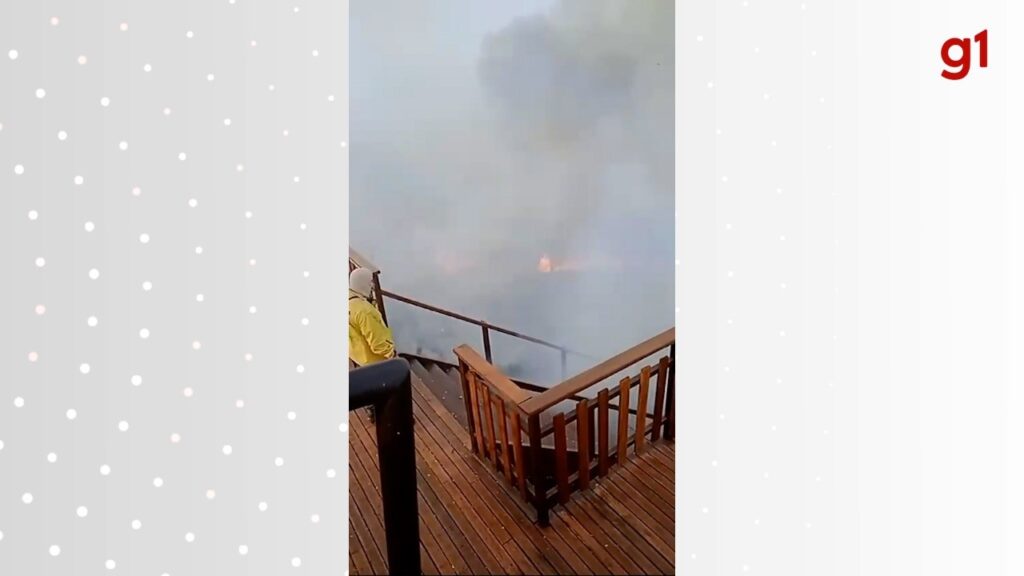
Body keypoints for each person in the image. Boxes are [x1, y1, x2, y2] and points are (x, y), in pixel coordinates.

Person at [349, 268, 396, 422]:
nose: (372, 287)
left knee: (369, 384)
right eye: (370, 284)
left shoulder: (349, 302)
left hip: (357, 353)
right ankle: (392, 417)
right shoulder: (364, 311)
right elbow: (377, 342)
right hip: (374, 358)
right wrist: (391, 354)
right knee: (389, 387)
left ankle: (372, 410)